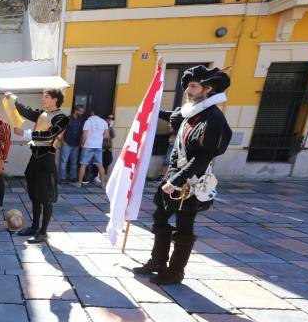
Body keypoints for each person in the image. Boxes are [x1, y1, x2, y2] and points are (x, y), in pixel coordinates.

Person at [133, 65, 232, 285]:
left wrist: (177, 180)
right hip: (173, 176)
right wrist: (148, 108)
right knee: (160, 217)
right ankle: (158, 261)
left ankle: (175, 272)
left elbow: (204, 156)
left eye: (193, 86)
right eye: (187, 85)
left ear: (208, 89)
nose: (188, 90)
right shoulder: (193, 110)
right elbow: (173, 115)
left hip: (189, 180)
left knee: (184, 225)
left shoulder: (213, 118)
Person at [4, 89, 69, 244]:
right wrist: (13, 98)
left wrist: (26, 134)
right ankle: (34, 227)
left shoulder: (62, 118)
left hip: (47, 160)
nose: (43, 99)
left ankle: (43, 232)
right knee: (34, 197)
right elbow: (25, 111)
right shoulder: (42, 114)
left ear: (55, 99)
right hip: (34, 160)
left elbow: (51, 134)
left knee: (45, 199)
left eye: (46, 97)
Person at [75, 110, 109, 188]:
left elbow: (84, 135)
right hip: (98, 146)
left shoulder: (88, 122)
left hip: (88, 145)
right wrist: (99, 138)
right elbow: (107, 135)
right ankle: (103, 183)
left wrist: (82, 143)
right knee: (100, 165)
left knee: (83, 164)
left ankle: (79, 183)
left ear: (92, 112)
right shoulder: (104, 122)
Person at [60, 105, 85, 182]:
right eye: (80, 111)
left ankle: (73, 177)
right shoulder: (67, 118)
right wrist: (63, 141)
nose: (82, 112)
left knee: (74, 162)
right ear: (76, 111)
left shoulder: (82, 120)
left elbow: (82, 132)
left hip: (76, 144)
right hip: (67, 143)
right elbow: (61, 130)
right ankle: (62, 178)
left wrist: (81, 142)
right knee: (64, 161)